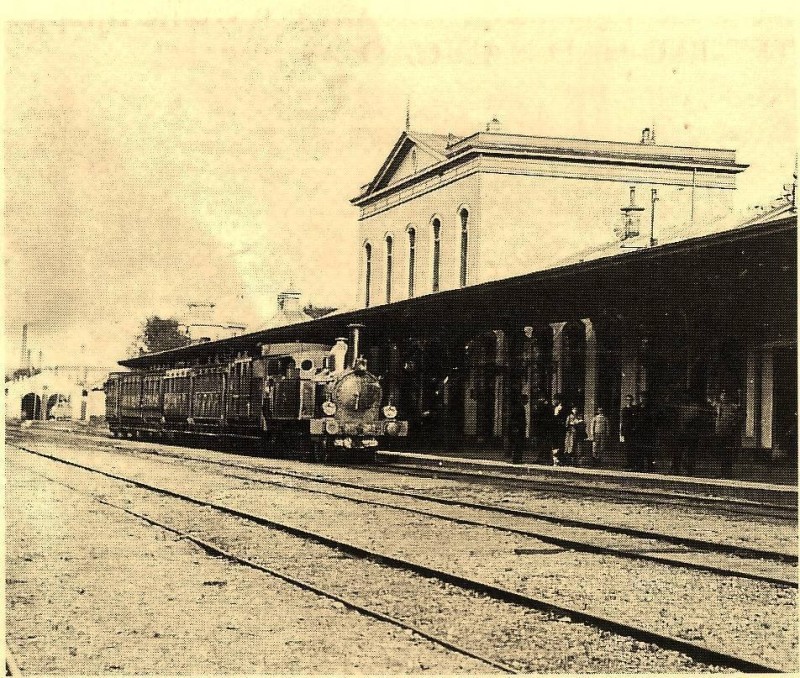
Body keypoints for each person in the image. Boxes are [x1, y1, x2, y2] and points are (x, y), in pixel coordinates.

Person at [713, 390, 741, 479]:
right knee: (721, 453)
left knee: (727, 453)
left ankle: (727, 473)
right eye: (722, 395)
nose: (723, 397)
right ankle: (722, 472)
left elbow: (739, 411)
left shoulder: (732, 407)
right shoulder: (718, 406)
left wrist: (733, 425)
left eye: (725, 396)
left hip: (728, 433)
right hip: (719, 432)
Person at [620, 395, 638, 470]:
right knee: (627, 448)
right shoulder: (624, 409)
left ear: (632, 400)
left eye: (630, 400)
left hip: (633, 431)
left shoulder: (634, 409)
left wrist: (634, 428)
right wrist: (622, 431)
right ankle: (628, 463)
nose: (629, 401)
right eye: (627, 400)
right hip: (626, 431)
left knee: (633, 448)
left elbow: (636, 419)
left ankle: (634, 463)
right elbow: (622, 421)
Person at [509, 394, 528, 464]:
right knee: (518, 445)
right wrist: (516, 428)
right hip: (518, 429)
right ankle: (517, 459)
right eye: (526, 399)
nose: (527, 401)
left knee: (518, 445)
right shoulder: (519, 407)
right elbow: (515, 419)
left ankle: (517, 459)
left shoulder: (519, 407)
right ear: (522, 400)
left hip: (519, 429)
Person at [551, 395, 567, 466]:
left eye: (555, 400)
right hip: (555, 429)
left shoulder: (561, 409)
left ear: (559, 400)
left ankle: (558, 459)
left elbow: (559, 419)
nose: (554, 401)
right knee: (555, 444)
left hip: (559, 429)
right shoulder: (555, 408)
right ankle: (555, 459)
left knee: (559, 443)